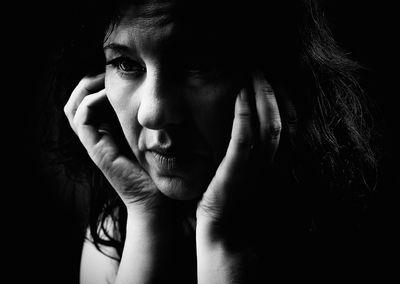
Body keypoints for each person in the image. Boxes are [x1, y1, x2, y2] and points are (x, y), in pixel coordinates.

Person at [47, 0, 378, 283]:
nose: (152, 114)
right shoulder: (114, 228)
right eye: (125, 64)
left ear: (270, 77)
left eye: (194, 64)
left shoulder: (347, 238)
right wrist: (145, 212)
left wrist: (220, 238)